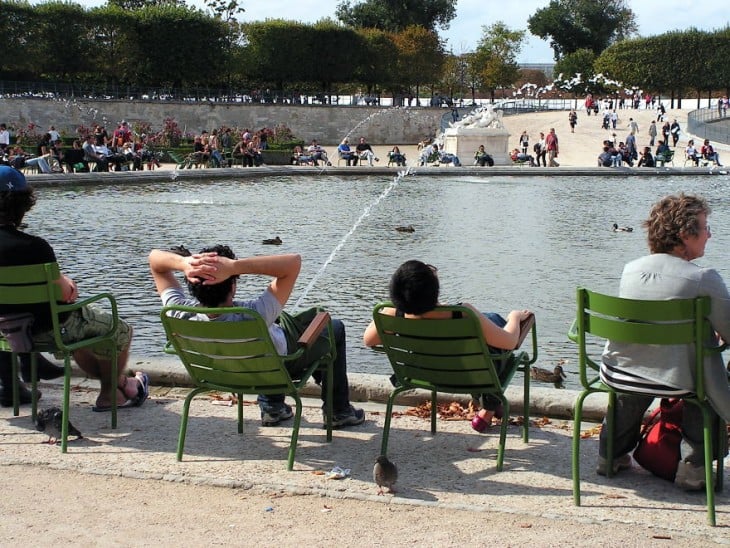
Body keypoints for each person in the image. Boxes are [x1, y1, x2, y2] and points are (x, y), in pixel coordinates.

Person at [148, 245, 365, 429]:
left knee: (276, 330)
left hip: (218, 375)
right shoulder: (256, 313)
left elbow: (155, 261)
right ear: (233, 286)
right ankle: (338, 411)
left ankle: (273, 408)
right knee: (332, 328)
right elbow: (293, 263)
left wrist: (185, 262)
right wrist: (234, 266)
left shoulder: (178, 312)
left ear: (192, 283)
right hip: (274, 371)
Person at [597, 194, 730, 489]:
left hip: (621, 372)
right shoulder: (704, 277)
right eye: (705, 227)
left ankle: (610, 455)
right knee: (703, 383)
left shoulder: (630, 268)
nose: (710, 234)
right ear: (685, 234)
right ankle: (693, 468)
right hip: (677, 380)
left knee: (643, 369)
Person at [0, 166, 146, 411]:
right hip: (48, 331)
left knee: (88, 330)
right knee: (118, 330)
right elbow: (65, 295)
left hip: (3, 332)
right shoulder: (35, 248)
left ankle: (122, 383)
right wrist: (66, 282)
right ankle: (111, 394)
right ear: (24, 204)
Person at [362, 260, 533, 430]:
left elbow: (368, 340)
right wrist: (515, 318)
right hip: (471, 377)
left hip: (424, 375)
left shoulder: (392, 314)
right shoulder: (463, 313)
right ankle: (489, 404)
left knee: (490, 320)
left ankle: (488, 407)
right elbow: (510, 342)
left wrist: (395, 306)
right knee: (496, 328)